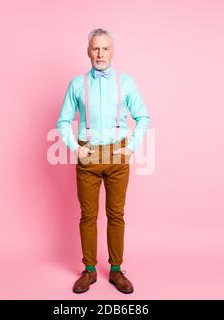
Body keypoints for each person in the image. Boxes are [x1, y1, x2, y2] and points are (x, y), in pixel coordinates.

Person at [57, 28, 150, 294]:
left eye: (105, 48)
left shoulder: (127, 82)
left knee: (116, 215)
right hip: (88, 155)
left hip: (118, 155)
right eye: (95, 48)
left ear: (113, 51)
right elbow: (63, 121)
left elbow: (143, 117)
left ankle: (117, 270)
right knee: (88, 215)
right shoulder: (77, 84)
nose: (100, 54)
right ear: (88, 51)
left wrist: (130, 147)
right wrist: (76, 148)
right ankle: (88, 271)